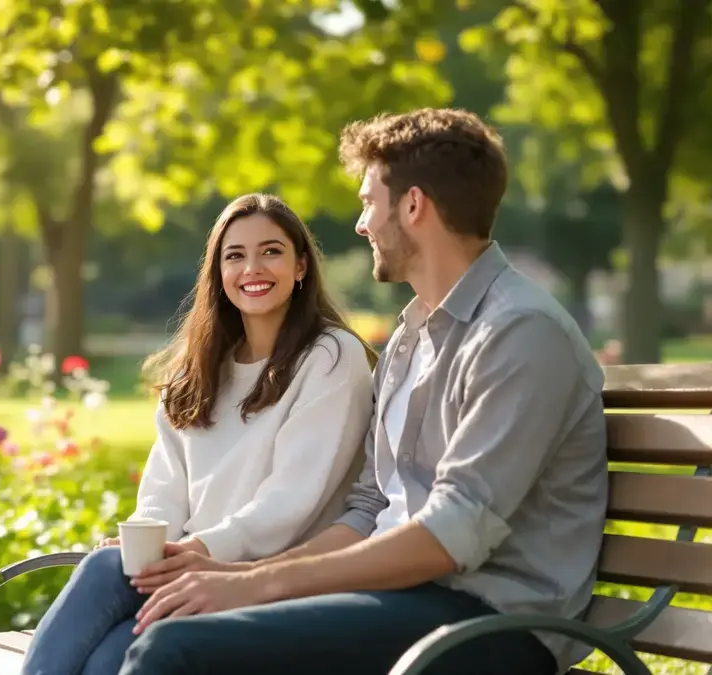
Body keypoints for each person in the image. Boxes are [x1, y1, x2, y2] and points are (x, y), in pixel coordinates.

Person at [118, 108, 609, 675]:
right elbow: (371, 507)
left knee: (176, 649)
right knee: (181, 622)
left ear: (414, 206)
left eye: (368, 202)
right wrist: (240, 577)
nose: (360, 224)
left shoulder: (520, 333)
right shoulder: (410, 336)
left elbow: (453, 534)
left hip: (491, 619)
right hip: (407, 598)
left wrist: (263, 584)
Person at [20, 194, 378, 675]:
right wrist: (153, 549)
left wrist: (200, 551)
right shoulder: (198, 369)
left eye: (271, 251)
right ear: (218, 273)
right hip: (187, 570)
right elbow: (163, 492)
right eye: (235, 256)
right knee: (106, 650)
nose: (253, 267)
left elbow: (292, 500)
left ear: (301, 267)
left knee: (107, 636)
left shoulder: (331, 356)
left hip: (261, 579)